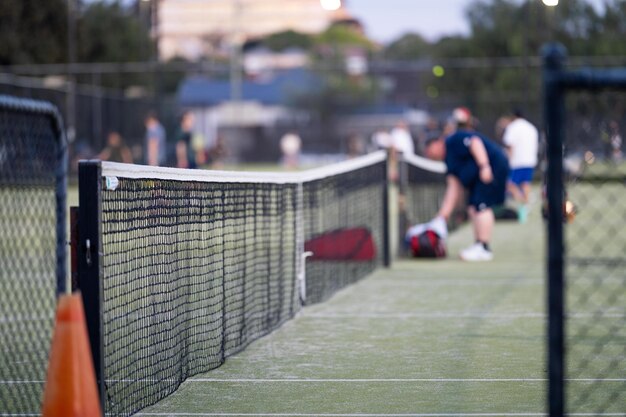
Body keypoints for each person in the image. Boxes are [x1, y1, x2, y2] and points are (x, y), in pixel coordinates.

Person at [425, 107, 510, 262]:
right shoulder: (448, 161)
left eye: (429, 150)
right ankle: (479, 244)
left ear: (437, 143)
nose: (429, 155)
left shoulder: (452, 140)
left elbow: (475, 143)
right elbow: (453, 187)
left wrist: (485, 166)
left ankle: (484, 248)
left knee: (481, 205)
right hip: (480, 175)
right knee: (473, 206)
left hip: (493, 166)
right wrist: (442, 216)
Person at [502, 109, 539, 223]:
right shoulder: (531, 128)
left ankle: (523, 203)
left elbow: (510, 146)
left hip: (516, 162)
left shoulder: (512, 127)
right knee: (525, 184)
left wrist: (507, 160)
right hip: (529, 161)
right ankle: (526, 205)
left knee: (510, 185)